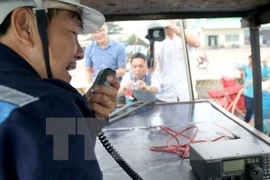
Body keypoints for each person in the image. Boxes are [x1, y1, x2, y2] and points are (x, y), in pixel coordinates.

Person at [0, 1, 119, 179]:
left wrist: (83, 122)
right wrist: (67, 115)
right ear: (25, 26)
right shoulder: (50, 105)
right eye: (73, 32)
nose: (80, 52)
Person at [153, 20, 200, 102]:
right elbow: (151, 69)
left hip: (187, 94)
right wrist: (151, 45)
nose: (166, 21)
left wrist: (171, 26)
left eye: (169, 18)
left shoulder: (186, 33)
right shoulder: (157, 41)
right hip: (165, 95)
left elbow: (196, 43)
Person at [241, 55, 269, 123]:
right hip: (248, 93)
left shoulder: (259, 68)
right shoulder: (246, 67)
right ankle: (246, 124)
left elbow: (265, 76)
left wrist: (265, 65)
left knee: (255, 111)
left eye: (251, 60)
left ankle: (253, 125)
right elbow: (245, 78)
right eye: (249, 60)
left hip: (256, 93)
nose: (250, 62)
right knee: (249, 110)